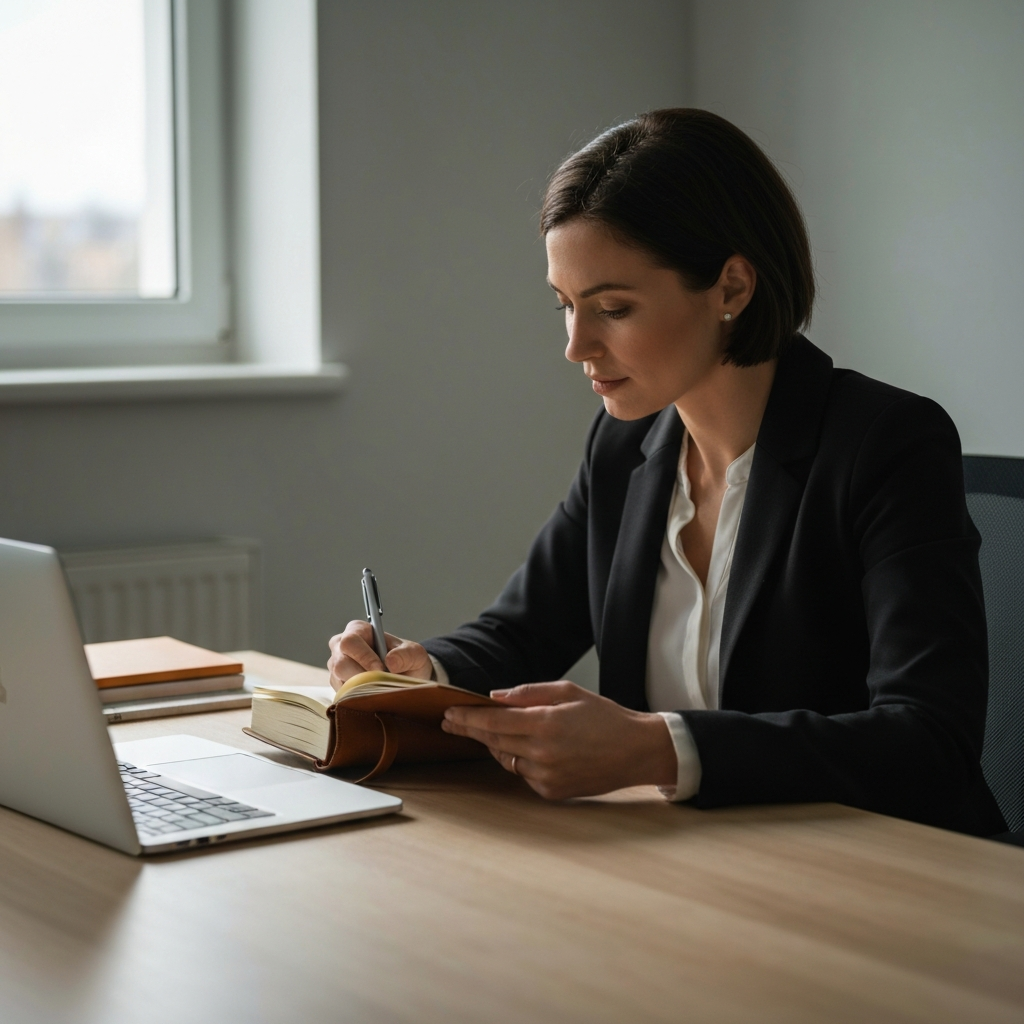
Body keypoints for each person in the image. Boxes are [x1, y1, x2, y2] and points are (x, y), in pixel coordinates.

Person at [329, 108, 1006, 837]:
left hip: (878, 868)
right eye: (565, 306)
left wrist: (658, 748)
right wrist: (413, 671)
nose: (576, 346)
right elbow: (521, 632)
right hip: (691, 859)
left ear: (732, 290)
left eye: (612, 308)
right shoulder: (624, 450)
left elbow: (929, 740)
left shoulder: (886, 444)